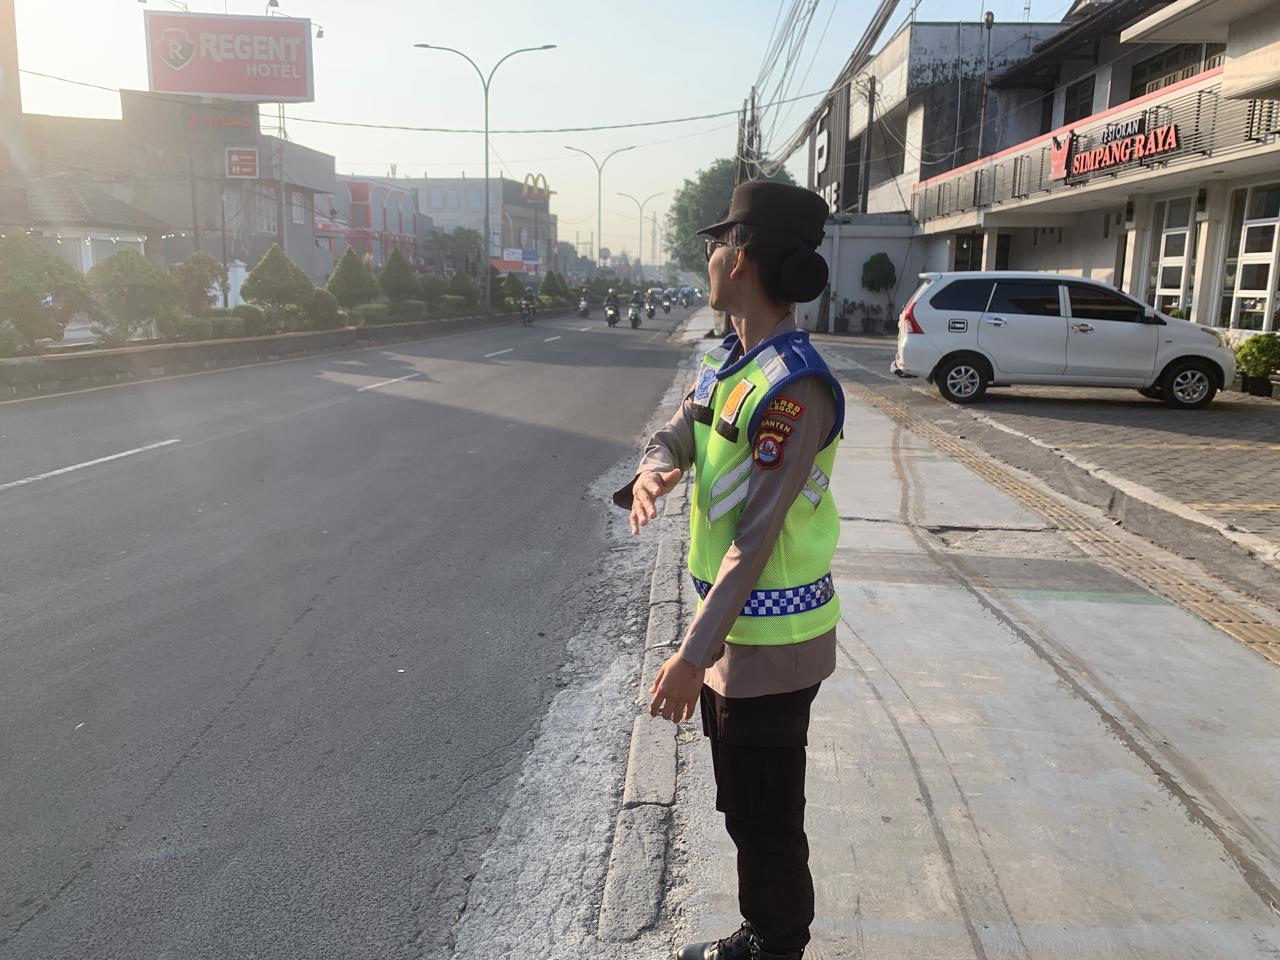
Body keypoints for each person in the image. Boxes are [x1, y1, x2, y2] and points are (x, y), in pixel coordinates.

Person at [614, 181, 841, 960]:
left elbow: (757, 537)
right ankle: (761, 931)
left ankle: (776, 944)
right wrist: (652, 470)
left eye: (715, 244)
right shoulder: (730, 364)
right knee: (745, 803)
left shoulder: (793, 386)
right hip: (734, 638)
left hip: (774, 643)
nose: (708, 257)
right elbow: (673, 435)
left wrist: (690, 655)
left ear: (739, 258)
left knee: (768, 815)